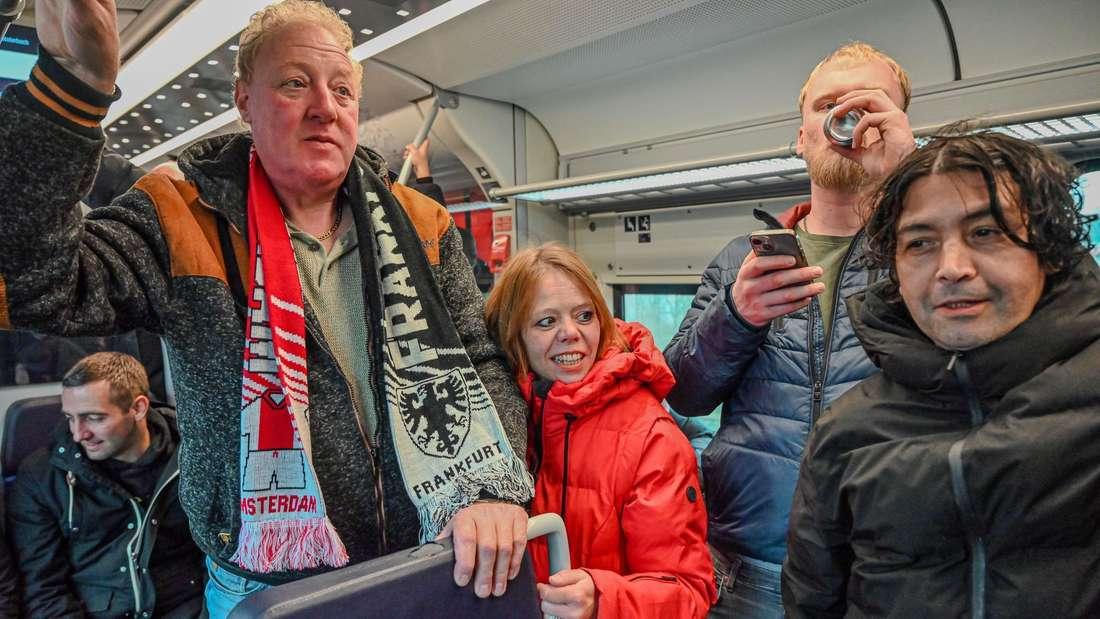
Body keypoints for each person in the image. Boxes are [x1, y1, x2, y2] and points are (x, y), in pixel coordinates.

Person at [0, 1, 533, 616]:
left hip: (425, 555)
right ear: (243, 101)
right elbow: (29, 281)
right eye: (294, 83)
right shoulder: (181, 216)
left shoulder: (421, 224)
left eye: (341, 89)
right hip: (265, 585)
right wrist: (71, 93)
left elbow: (479, 360)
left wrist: (490, 489)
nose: (323, 107)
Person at [782, 131, 1100, 617]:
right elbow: (812, 602)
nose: (951, 268)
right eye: (921, 243)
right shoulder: (847, 432)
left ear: (1049, 250)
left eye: (985, 232)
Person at [662, 42, 916, 617]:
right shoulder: (739, 262)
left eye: (868, 105)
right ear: (802, 136)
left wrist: (911, 183)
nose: (847, 120)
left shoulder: (924, 254)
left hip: (886, 565)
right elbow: (683, 390)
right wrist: (736, 316)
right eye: (828, 105)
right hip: (752, 567)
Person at [486, 243, 717, 619]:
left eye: (584, 315)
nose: (571, 333)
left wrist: (603, 600)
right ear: (515, 336)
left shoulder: (651, 439)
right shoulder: (495, 419)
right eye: (546, 321)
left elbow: (689, 592)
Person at [7, 352, 204, 618]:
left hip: (187, 606)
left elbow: (215, 557)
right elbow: (44, 588)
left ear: (138, 409)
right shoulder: (42, 477)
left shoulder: (192, 459)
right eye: (70, 417)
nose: (79, 433)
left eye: (95, 418)